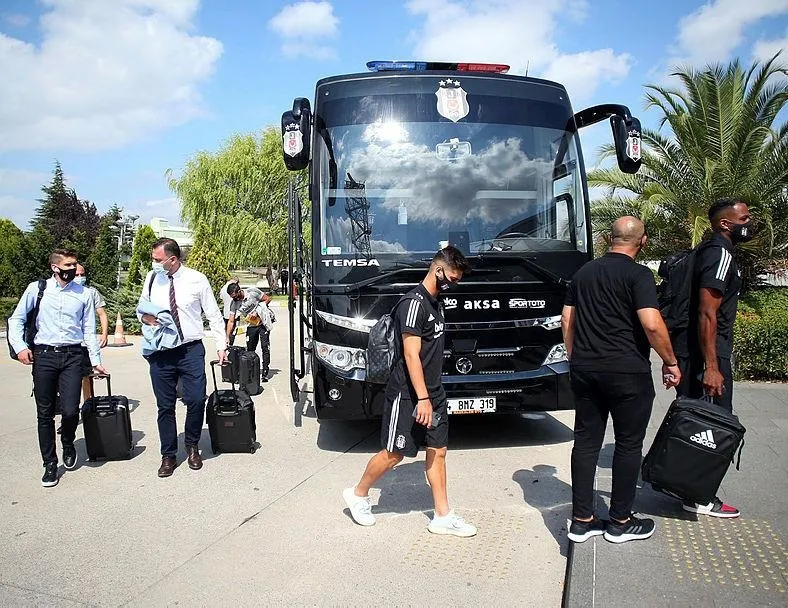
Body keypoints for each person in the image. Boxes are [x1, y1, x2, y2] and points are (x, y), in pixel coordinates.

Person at [561, 217, 681, 544]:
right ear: (643, 242)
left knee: (586, 442)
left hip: (585, 369)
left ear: (607, 238)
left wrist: (575, 357)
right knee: (628, 444)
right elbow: (652, 324)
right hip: (627, 372)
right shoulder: (639, 275)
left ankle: (582, 520)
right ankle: (620, 521)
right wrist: (670, 362)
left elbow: (567, 318)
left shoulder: (583, 273)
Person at [343, 246, 477, 537]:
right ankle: (358, 494)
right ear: (438, 271)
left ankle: (442, 516)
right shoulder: (413, 304)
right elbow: (411, 354)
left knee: (438, 451)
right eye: (452, 279)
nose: (454, 284)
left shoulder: (436, 303)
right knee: (394, 453)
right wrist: (423, 399)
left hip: (434, 392)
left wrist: (432, 395)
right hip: (408, 394)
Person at [672, 198, 753, 519]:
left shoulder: (708, 250)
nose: (749, 223)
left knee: (698, 423)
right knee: (711, 426)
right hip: (706, 355)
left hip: (695, 353)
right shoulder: (720, 254)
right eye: (744, 219)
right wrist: (712, 367)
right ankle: (698, 496)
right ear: (725, 224)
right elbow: (707, 313)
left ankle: (686, 488)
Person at [8, 249, 107, 487]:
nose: (73, 269)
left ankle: (68, 442)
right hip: (44, 356)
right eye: (68, 265)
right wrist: (20, 347)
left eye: (75, 265)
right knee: (45, 413)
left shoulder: (84, 294)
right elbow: (16, 319)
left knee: (71, 410)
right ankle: (50, 464)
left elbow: (88, 329)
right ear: (55, 268)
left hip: (73, 355)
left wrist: (96, 361)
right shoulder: (37, 289)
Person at [136, 238, 227, 478]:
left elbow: (213, 314)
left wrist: (221, 345)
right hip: (161, 351)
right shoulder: (152, 278)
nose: (153, 263)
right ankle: (168, 455)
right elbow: (141, 310)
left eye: (157, 259)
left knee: (196, 399)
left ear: (173, 259)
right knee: (165, 406)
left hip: (190, 351)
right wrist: (146, 319)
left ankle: (192, 444)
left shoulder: (197, 279)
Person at [74, 264, 109, 402]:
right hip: (69, 341)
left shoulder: (91, 292)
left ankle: (88, 404)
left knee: (87, 376)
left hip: (86, 342)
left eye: (82, 274)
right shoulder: (62, 292)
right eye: (76, 275)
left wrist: (104, 333)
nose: (80, 277)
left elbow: (102, 313)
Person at [246, 292, 275, 382]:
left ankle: (265, 372)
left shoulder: (252, 292)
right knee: (250, 349)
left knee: (265, 347)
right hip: (251, 325)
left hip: (263, 324)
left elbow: (267, 299)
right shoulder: (236, 302)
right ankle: (251, 370)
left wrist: (257, 312)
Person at [219, 277, 240, 345]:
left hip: (226, 314)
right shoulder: (234, 290)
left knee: (226, 332)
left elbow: (221, 298)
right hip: (235, 314)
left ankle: (226, 345)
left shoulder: (223, 288)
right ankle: (230, 346)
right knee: (233, 333)